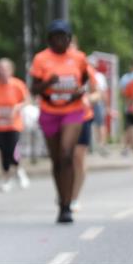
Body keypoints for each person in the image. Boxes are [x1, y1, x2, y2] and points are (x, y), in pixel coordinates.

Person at [29, 19, 89, 224]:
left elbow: (85, 81)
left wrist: (78, 93)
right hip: (49, 112)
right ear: (49, 40)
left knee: (66, 153)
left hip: (72, 111)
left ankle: (68, 205)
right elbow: (34, 89)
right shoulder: (41, 59)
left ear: (69, 39)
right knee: (56, 160)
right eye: (55, 38)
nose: (59, 41)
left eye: (63, 37)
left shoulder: (79, 58)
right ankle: (61, 202)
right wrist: (48, 83)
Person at [0, 58, 31, 192]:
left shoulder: (17, 85)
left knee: (13, 149)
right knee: (3, 151)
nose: (2, 72)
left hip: (14, 124)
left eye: (4, 69)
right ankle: (7, 179)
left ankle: (19, 169)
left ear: (11, 71)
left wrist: (17, 107)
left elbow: (27, 100)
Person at [70, 42, 102, 211]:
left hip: (82, 116)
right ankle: (65, 188)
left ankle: (74, 197)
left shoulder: (86, 69)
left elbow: (98, 93)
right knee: (64, 157)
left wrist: (88, 98)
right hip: (62, 118)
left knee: (78, 157)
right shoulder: (54, 69)